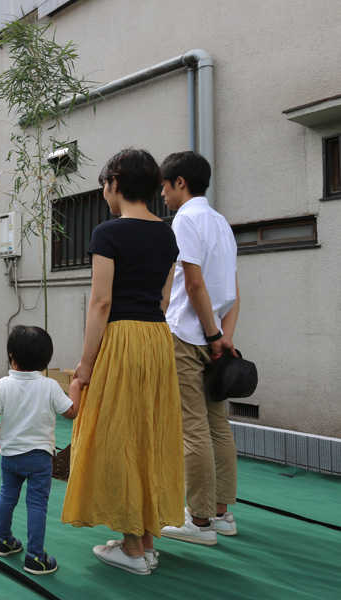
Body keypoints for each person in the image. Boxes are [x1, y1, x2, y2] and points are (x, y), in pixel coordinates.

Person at [61, 148, 184, 576]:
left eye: (103, 186)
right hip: (156, 338)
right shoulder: (168, 235)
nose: (104, 195)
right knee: (149, 429)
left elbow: (101, 302)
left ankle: (132, 549)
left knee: (120, 432)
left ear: (114, 182)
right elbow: (165, 299)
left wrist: (85, 364)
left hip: (123, 338)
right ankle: (146, 539)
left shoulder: (108, 232)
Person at [159, 151, 241, 545]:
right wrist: (224, 336)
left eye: (164, 185)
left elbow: (193, 284)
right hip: (214, 338)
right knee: (217, 423)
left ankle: (200, 521)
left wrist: (210, 336)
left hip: (189, 337)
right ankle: (223, 514)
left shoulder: (185, 220)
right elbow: (233, 289)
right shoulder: (221, 223)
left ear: (180, 183)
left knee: (192, 427)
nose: (162, 194)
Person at [0, 325, 80, 575]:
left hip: (10, 456)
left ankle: (3, 540)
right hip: (39, 459)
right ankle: (35, 556)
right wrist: (76, 387)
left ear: (11, 357)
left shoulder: (3, 384)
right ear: (45, 360)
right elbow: (71, 413)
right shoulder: (49, 386)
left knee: (7, 497)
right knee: (37, 505)